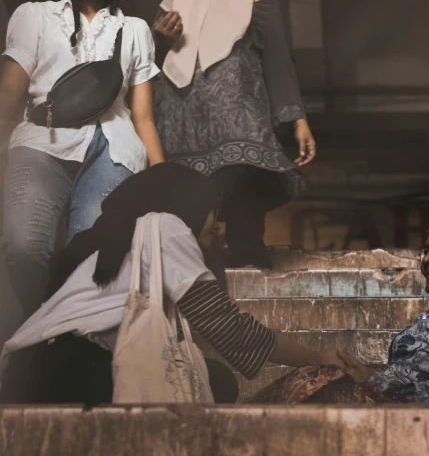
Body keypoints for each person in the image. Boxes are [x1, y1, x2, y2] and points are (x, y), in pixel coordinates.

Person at [0, 163, 347, 406]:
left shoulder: (113, 240)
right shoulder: (165, 227)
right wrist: (318, 356)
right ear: (189, 205)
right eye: (213, 210)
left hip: (33, 372)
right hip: (73, 372)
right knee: (215, 381)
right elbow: (229, 332)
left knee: (208, 377)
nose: (218, 225)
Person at [0, 0, 164, 321]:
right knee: (24, 245)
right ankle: (35, 331)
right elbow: (8, 95)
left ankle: (65, 339)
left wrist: (164, 183)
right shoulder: (34, 16)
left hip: (114, 148)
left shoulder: (136, 30)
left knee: (90, 256)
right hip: (42, 141)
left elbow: (142, 116)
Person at [152, 0, 316, 270]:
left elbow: (278, 65)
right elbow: (146, 69)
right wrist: (158, 40)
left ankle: (251, 269)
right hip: (183, 125)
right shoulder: (170, 7)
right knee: (191, 221)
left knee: (244, 192)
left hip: (241, 121)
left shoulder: (262, 4)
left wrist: (298, 119)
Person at [250, 214, 429, 405]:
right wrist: (369, 376)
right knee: (316, 376)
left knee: (316, 386)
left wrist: (375, 380)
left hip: (419, 421)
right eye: (425, 249)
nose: (426, 259)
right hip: (395, 405)